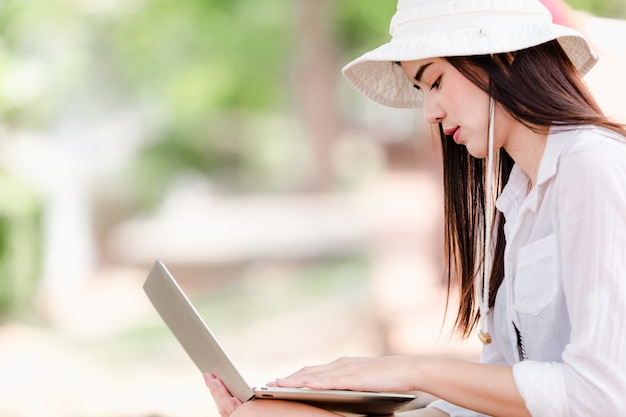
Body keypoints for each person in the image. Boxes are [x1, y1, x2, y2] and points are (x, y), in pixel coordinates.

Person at [205, 0, 626, 416]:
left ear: (505, 54)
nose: (430, 113)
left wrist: (412, 371)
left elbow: (600, 396)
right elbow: (505, 400)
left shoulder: (592, 166)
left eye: (436, 81)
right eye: (421, 90)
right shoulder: (514, 201)